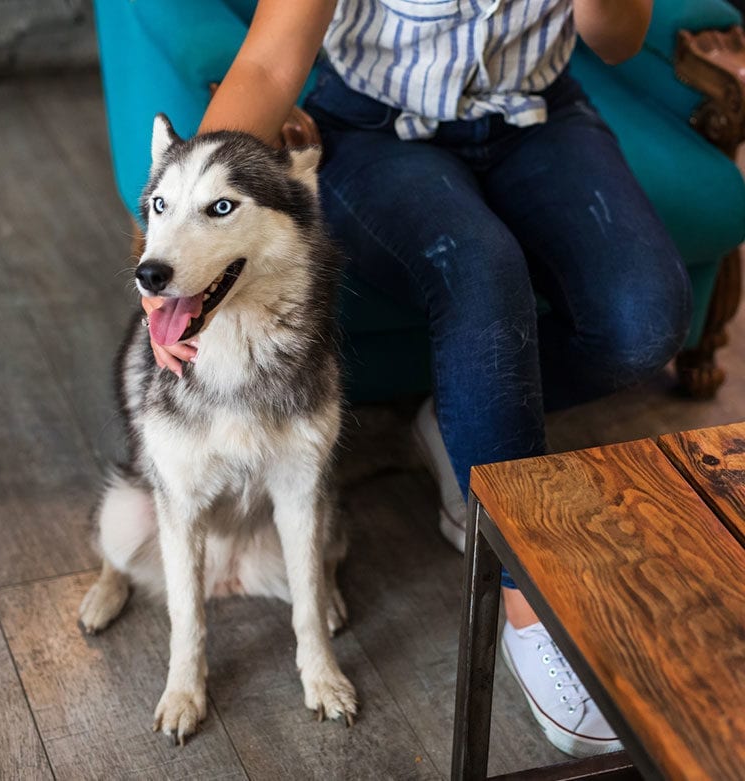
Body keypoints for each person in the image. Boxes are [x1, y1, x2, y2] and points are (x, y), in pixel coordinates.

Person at [143, 0, 692, 758]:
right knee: (480, 271)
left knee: (646, 321)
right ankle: (530, 604)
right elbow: (269, 64)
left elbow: (620, 39)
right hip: (372, 127)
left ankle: (455, 416)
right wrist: (171, 250)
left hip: (536, 113)